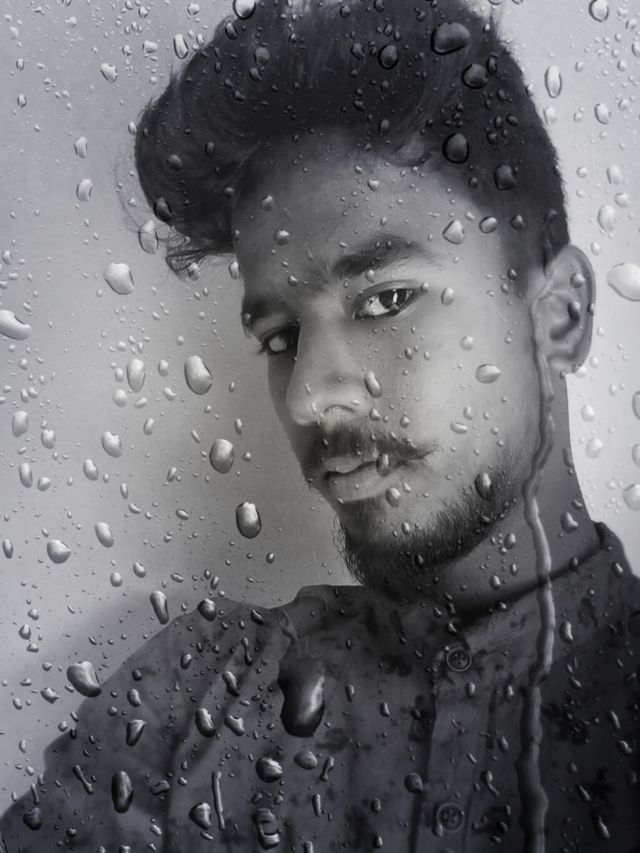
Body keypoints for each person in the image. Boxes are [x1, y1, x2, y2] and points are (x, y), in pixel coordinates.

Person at [2, 0, 639, 850]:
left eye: (385, 298)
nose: (307, 397)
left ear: (558, 316)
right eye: (280, 336)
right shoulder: (193, 696)